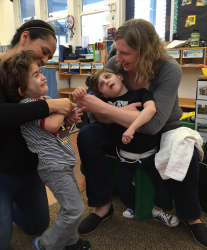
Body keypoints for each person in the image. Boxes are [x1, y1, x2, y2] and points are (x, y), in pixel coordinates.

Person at [72, 19, 207, 248]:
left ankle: (191, 216)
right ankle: (103, 205)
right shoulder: (115, 63)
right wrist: (106, 110)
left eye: (125, 52)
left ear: (144, 50)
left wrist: (106, 109)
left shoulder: (168, 68)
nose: (118, 57)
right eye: (117, 51)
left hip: (164, 124)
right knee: (87, 135)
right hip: (120, 124)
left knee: (187, 148)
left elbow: (153, 124)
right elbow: (94, 115)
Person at [0, 20, 77, 250]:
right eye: (44, 52)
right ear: (25, 38)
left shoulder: (32, 79)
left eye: (49, 57)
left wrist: (64, 120)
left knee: (37, 225)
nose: (44, 60)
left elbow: (45, 127)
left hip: (26, 168)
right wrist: (52, 107)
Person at [0, 50, 91, 250]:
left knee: (70, 205)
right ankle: (45, 244)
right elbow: (51, 126)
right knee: (75, 210)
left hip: (63, 161)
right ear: (21, 90)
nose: (42, 76)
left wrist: (69, 119)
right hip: (53, 166)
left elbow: (59, 131)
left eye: (40, 72)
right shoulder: (29, 104)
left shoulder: (46, 101)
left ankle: (70, 241)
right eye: (35, 75)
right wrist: (63, 108)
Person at [74, 69, 179, 225]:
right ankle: (133, 206)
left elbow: (150, 110)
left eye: (108, 76)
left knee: (162, 185)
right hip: (125, 156)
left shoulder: (140, 93)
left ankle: (158, 211)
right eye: (101, 84)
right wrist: (80, 94)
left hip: (150, 154)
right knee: (121, 187)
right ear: (101, 95)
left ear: (120, 76)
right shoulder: (106, 103)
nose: (106, 82)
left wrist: (131, 127)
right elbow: (93, 110)